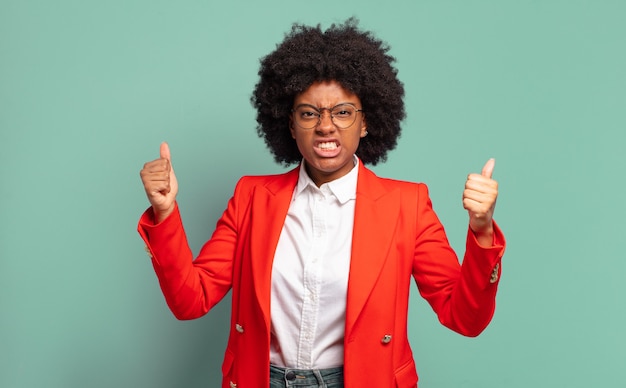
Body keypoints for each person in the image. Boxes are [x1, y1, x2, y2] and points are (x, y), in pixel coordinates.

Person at [138, 19, 505, 388]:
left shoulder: (406, 205)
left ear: (366, 123)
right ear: (291, 124)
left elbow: (465, 318)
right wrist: (165, 213)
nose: (326, 126)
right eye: (309, 113)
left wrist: (482, 229)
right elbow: (191, 300)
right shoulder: (252, 197)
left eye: (343, 112)